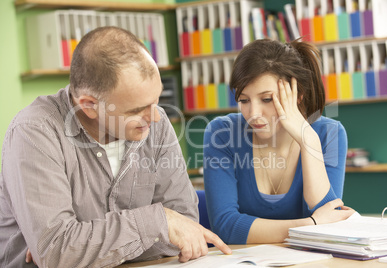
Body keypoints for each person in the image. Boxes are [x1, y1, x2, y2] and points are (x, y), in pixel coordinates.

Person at [0, 26, 231, 268]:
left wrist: (83, 247)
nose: (154, 117)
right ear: (89, 105)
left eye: (156, 100)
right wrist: (157, 222)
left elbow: (184, 230)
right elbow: (57, 252)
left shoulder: (156, 122)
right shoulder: (35, 132)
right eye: (136, 110)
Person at [203, 38, 355, 245]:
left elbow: (330, 221)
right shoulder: (222, 133)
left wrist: (307, 138)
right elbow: (226, 227)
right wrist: (311, 225)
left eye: (266, 99)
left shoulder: (328, 133)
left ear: (298, 95)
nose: (254, 113)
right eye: (244, 100)